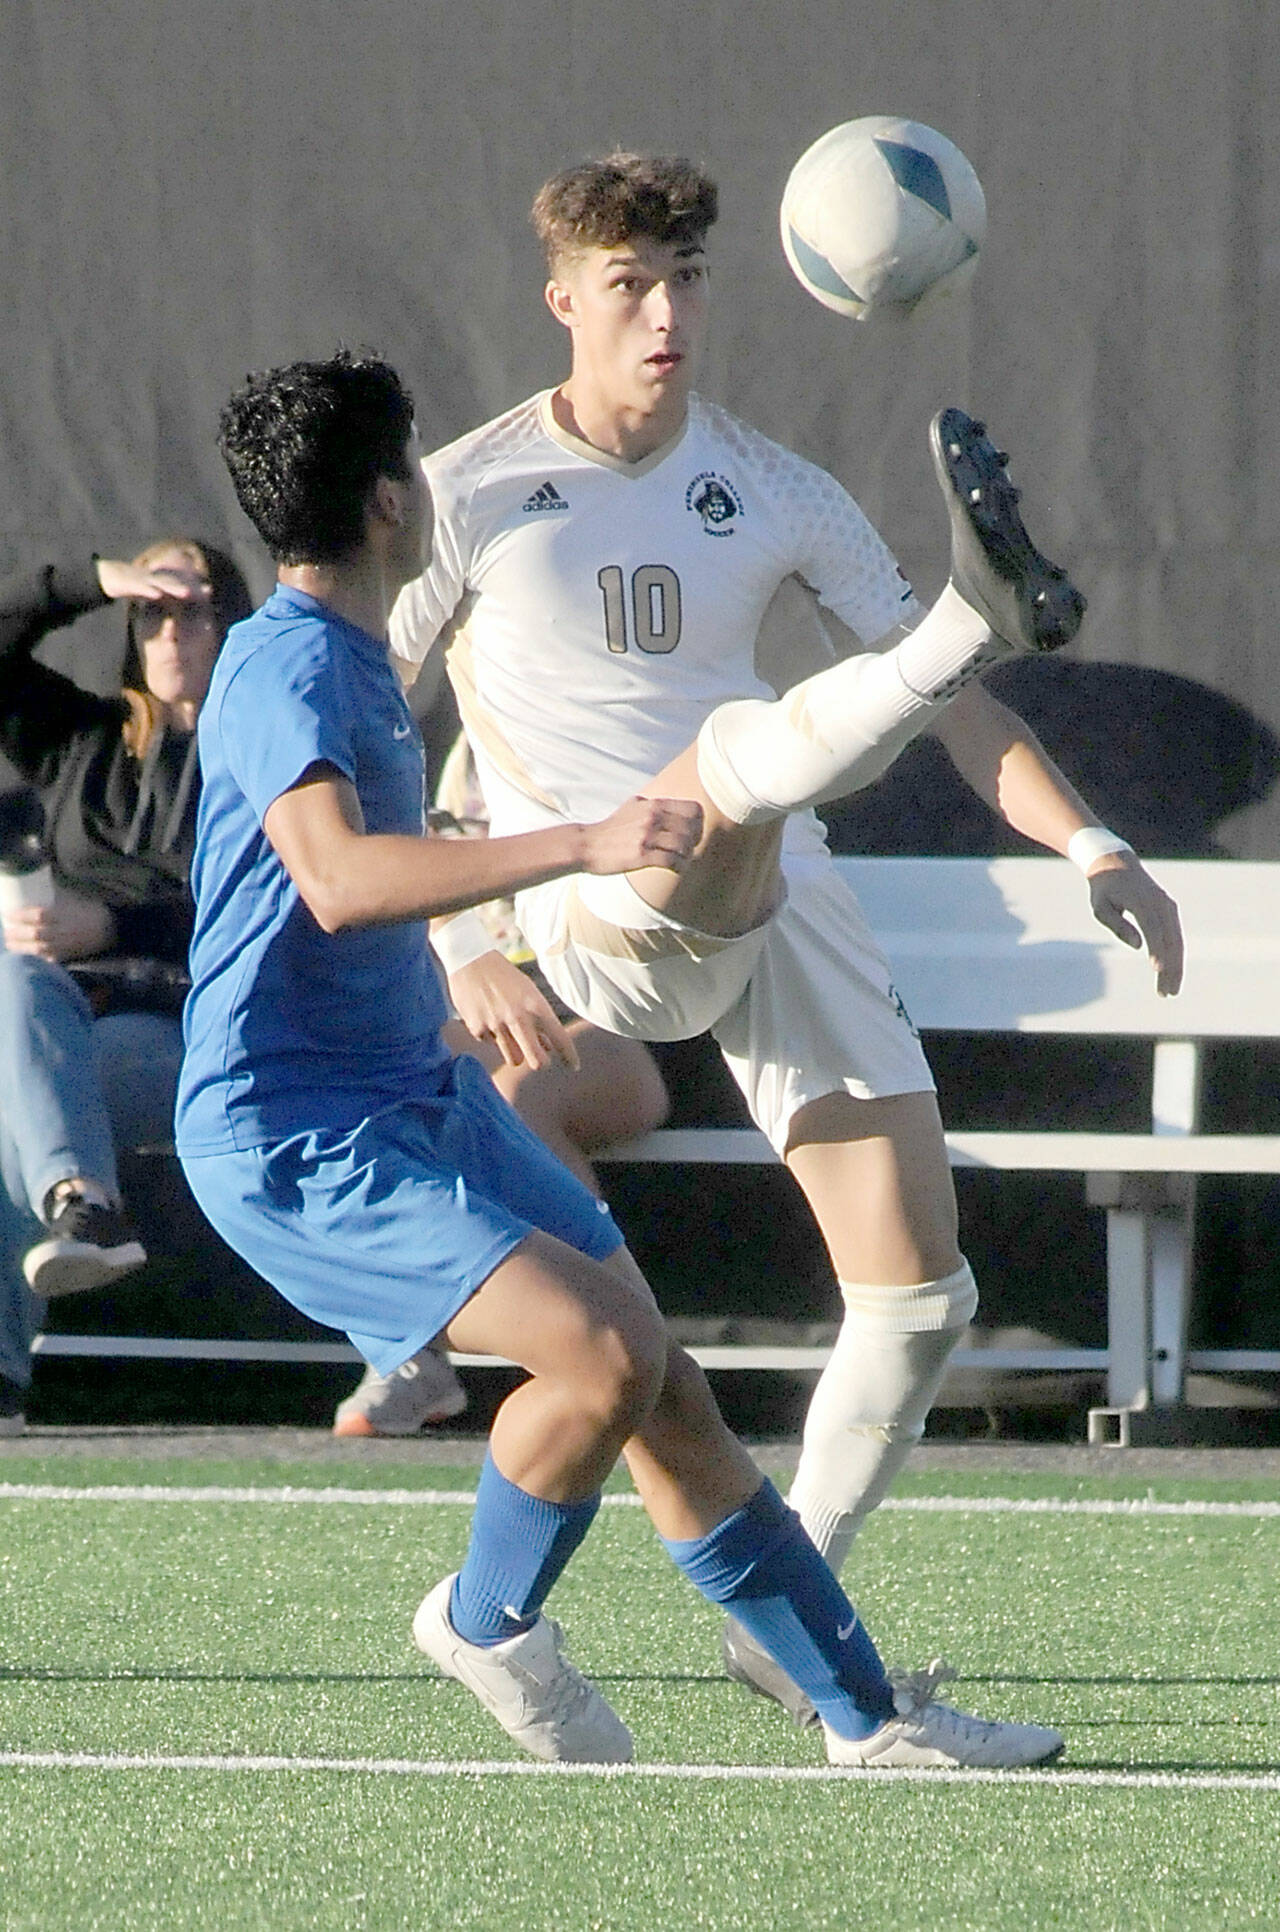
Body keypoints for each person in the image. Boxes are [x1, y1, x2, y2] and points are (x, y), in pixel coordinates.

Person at [388, 152, 1185, 1725]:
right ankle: (970, 610)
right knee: (743, 755)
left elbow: (957, 724)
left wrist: (1092, 836)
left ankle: (789, 1613)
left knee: (919, 1298)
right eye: (631, 285)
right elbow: (358, 719)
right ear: (565, 303)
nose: (667, 312)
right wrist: (461, 936)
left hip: (778, 881)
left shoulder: (774, 484)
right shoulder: (464, 493)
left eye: (688, 278)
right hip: (599, 897)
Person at [181, 346, 1062, 1768]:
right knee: (603, 1357)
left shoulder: (343, 653)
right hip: (293, 1136)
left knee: (668, 1392)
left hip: (420, 1093)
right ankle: (482, 1621)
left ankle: (863, 1721)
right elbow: (336, 880)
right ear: (397, 502)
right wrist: (584, 843)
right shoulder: (286, 659)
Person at [332, 730, 672, 1436]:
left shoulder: (613, 729)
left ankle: (607, 1349)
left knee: (524, 1093)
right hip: (488, 1006)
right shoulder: (458, 747)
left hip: (620, 1016)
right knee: (393, 1083)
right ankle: (412, 1349)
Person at [0, 540, 252, 1434]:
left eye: (196, 606)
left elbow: (285, 904)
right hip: (62, 1019)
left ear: (236, 623)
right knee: (17, 1012)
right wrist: (88, 577)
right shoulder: (81, 741)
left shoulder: (265, 755)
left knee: (16, 1082)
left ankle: (7, 1358)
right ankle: (82, 1209)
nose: (173, 627)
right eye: (154, 609)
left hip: (198, 1027)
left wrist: (114, 927)